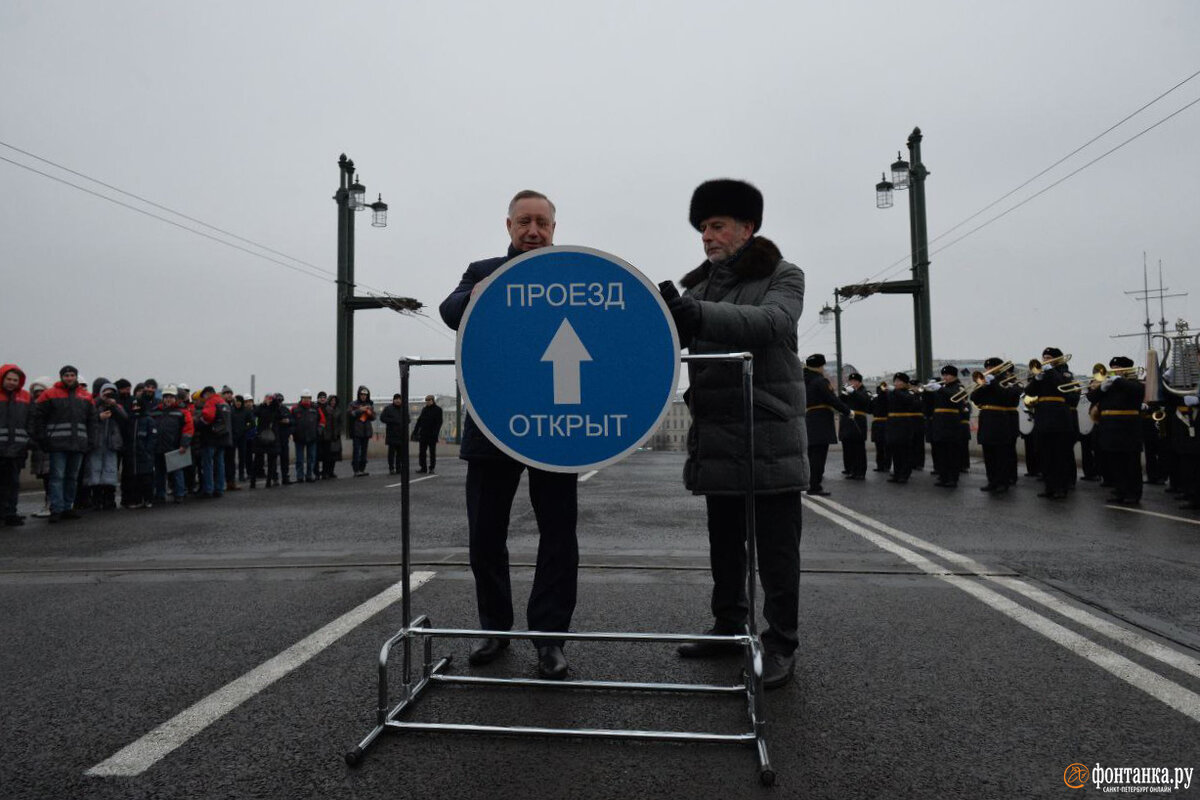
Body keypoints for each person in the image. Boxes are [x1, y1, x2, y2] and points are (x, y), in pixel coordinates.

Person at [662, 179, 807, 689]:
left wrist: (696, 313)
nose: (707, 236)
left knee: (776, 549)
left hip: (767, 432)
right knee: (723, 543)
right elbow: (666, 341)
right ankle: (729, 625)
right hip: (717, 433)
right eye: (703, 227)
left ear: (748, 228)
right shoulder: (698, 288)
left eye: (717, 225)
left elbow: (770, 323)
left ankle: (780, 642)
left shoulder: (783, 276)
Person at [438, 188, 578, 681]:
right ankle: (495, 628)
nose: (533, 231)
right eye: (525, 222)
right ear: (509, 226)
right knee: (485, 536)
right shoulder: (481, 271)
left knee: (558, 536)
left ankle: (550, 640)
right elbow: (451, 311)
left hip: (559, 426)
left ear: (554, 229)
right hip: (493, 424)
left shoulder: (572, 271)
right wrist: (481, 293)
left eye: (542, 222)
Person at [32, 365, 95, 522]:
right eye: (66, 375)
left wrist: (91, 441)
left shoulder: (86, 396)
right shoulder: (49, 394)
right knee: (57, 477)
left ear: (76, 377)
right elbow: (37, 416)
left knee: (72, 477)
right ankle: (57, 509)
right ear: (61, 377)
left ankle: (68, 507)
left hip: (78, 443)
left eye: (72, 375)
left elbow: (92, 421)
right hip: (57, 444)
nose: (69, 378)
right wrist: (42, 438)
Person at [1088, 356, 1144, 505]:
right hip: (1109, 428)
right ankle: (1119, 491)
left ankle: (1133, 493)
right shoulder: (1108, 384)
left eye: (1117, 367)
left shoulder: (1133, 383)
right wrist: (1102, 388)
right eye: (1112, 367)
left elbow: (1139, 392)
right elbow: (1091, 397)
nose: (1113, 370)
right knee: (1115, 463)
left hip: (1128, 428)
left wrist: (1118, 380)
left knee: (1131, 463)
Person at [1024, 347, 1073, 499]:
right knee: (1044, 454)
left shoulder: (1064, 372)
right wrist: (1036, 379)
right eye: (1044, 357)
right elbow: (1029, 392)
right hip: (1043, 416)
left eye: (1049, 357)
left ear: (1057, 359)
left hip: (1058, 415)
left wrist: (1050, 370)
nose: (1045, 360)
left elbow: (1062, 387)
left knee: (1059, 454)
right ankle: (1049, 487)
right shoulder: (1042, 374)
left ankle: (1061, 488)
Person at [970, 358, 1021, 493]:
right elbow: (974, 397)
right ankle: (992, 481)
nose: (988, 370)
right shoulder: (985, 382)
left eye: (991, 367)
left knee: (1001, 454)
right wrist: (983, 385)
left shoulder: (1008, 381)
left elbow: (1007, 397)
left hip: (1000, 418)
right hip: (986, 418)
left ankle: (1003, 482)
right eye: (987, 368)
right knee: (989, 453)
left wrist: (993, 383)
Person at [802, 354, 850, 496]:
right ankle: (815, 486)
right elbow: (832, 399)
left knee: (811, 454)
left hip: (809, 418)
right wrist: (848, 411)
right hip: (821, 420)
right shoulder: (820, 381)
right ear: (820, 366)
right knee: (819, 455)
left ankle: (810, 482)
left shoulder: (804, 380)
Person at [85, 381, 127, 510]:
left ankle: (109, 499)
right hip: (96, 444)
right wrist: (99, 415)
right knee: (95, 470)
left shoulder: (117, 406)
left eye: (111, 393)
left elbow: (124, 419)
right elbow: (87, 418)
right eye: (106, 392)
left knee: (110, 471)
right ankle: (96, 499)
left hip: (111, 444)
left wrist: (113, 406)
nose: (109, 395)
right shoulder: (94, 405)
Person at [0, 364, 32, 526]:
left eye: (15, 380)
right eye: (9, 379)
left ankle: (11, 512)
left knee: (13, 483)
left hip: (17, 448)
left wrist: (28, 441)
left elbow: (31, 420)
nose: (11, 382)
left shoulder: (26, 397)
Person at [152, 385, 193, 504]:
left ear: (175, 398)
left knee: (177, 472)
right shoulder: (156, 411)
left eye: (171, 397)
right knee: (159, 473)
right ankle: (160, 495)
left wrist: (184, 445)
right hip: (158, 447)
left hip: (175, 447)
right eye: (166, 397)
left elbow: (188, 429)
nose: (168, 399)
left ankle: (179, 494)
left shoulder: (183, 412)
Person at [929, 365, 966, 489]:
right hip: (939, 422)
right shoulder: (943, 388)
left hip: (951, 422)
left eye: (947, 375)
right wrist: (927, 391)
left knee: (952, 452)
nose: (945, 377)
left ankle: (952, 478)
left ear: (954, 376)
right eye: (944, 375)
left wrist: (940, 388)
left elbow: (954, 398)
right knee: (941, 452)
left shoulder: (958, 387)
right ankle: (943, 476)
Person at [885, 373, 922, 484]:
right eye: (895, 381)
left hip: (904, 423)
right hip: (893, 423)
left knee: (904, 451)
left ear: (905, 383)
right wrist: (883, 393)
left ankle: (904, 474)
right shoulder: (892, 393)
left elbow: (908, 400)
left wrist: (895, 391)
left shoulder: (909, 392)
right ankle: (897, 473)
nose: (896, 383)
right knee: (895, 450)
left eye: (899, 381)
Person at [198, 386, 232, 499]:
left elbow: (208, 416)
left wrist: (198, 422)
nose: (204, 398)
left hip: (211, 438)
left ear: (208, 393)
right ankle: (219, 488)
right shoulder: (224, 403)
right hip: (223, 438)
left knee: (208, 464)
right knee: (220, 464)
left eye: (204, 396)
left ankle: (208, 489)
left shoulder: (211, 401)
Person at [27, 377, 52, 518]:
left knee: (52, 478)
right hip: (38, 448)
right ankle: (48, 504)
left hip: (50, 446)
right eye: (36, 391)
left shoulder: (51, 407)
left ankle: (52, 504)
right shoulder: (32, 408)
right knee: (45, 478)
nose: (38, 394)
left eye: (42, 391)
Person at [838, 372, 871, 480]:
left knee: (859, 449)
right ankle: (851, 470)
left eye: (855, 381)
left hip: (858, 422)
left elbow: (865, 401)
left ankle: (860, 471)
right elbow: (839, 403)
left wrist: (854, 392)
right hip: (847, 423)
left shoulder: (864, 391)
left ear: (859, 382)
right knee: (849, 448)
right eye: (851, 381)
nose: (852, 383)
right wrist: (843, 394)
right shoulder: (848, 392)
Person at [291, 389, 322, 483]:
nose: (306, 400)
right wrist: (293, 432)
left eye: (308, 398)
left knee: (311, 458)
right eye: (305, 398)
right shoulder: (295, 409)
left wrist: (318, 431)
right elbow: (291, 422)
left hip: (312, 437)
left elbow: (322, 421)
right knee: (299, 459)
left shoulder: (316, 408)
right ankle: (299, 476)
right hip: (299, 437)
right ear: (301, 398)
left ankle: (309, 475)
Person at [251, 394, 282, 488]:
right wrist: (263, 404)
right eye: (267, 398)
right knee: (257, 460)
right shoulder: (261, 408)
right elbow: (255, 412)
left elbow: (279, 415)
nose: (268, 400)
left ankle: (268, 481)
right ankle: (253, 482)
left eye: (270, 399)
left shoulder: (275, 409)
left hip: (272, 437)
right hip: (261, 437)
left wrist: (274, 403)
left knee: (271, 461)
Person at [412, 394, 444, 474]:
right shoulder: (424, 409)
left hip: (432, 435)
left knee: (432, 452)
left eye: (429, 400)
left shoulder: (438, 410)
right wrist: (415, 432)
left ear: (433, 400)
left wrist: (436, 433)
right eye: (426, 401)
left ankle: (432, 468)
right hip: (423, 434)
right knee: (422, 452)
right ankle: (423, 467)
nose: (428, 402)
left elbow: (439, 422)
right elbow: (419, 421)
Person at [348, 386, 375, 477]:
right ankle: (356, 470)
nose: (363, 396)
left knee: (364, 452)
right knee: (356, 451)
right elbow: (350, 414)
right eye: (362, 394)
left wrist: (369, 412)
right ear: (359, 395)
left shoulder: (369, 404)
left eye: (365, 395)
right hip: (356, 431)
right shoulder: (353, 404)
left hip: (366, 431)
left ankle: (362, 469)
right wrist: (360, 410)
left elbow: (373, 417)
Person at [380, 393, 408, 475]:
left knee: (400, 453)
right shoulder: (388, 408)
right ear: (393, 400)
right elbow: (382, 418)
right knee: (391, 453)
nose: (398, 400)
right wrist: (392, 421)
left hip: (401, 435)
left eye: (399, 399)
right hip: (391, 434)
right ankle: (391, 468)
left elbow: (408, 419)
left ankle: (399, 468)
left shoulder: (404, 409)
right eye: (396, 399)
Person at [320, 394, 343, 479]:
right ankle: (325, 472)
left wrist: (338, 432)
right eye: (332, 400)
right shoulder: (326, 409)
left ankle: (331, 472)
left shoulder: (338, 410)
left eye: (335, 401)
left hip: (336, 435)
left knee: (334, 455)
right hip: (327, 435)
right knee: (326, 455)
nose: (333, 402)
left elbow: (340, 423)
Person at [870, 381, 890, 473]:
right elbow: (869, 409)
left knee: (887, 446)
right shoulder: (875, 399)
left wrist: (883, 393)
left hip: (885, 422)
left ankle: (886, 465)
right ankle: (880, 465)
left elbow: (884, 399)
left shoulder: (887, 398)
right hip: (877, 423)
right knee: (879, 447)